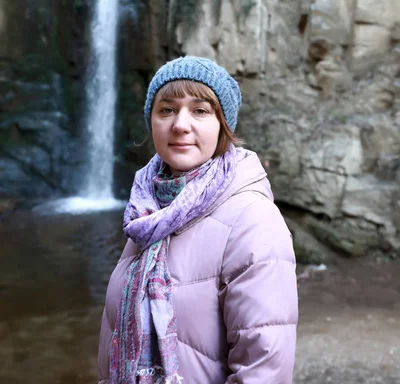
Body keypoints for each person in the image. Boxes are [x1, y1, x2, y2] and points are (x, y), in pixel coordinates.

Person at [98, 56, 298, 384]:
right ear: (152, 120)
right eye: (167, 109)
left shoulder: (252, 219)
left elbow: (264, 367)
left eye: (200, 111)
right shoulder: (146, 215)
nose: (180, 124)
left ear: (223, 126)